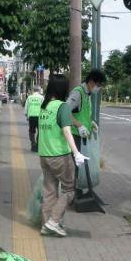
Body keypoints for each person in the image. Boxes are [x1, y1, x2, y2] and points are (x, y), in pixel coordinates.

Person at [38, 75, 88, 237]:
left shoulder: (44, 106)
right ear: (63, 89)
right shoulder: (62, 106)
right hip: (60, 156)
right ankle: (53, 222)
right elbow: (66, 130)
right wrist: (76, 152)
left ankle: (46, 225)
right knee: (68, 190)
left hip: (44, 155)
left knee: (49, 191)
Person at [66, 69, 106, 193]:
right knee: (76, 165)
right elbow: (65, 112)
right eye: (98, 85)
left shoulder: (87, 94)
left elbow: (83, 113)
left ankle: (75, 190)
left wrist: (91, 122)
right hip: (74, 135)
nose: (98, 88)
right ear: (91, 82)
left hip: (82, 136)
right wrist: (79, 125)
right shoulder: (78, 93)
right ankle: (71, 193)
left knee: (80, 165)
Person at [23, 87, 44, 152]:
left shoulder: (29, 97)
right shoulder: (41, 98)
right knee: (40, 132)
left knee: (31, 131)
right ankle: (38, 145)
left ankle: (33, 144)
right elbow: (44, 107)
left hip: (31, 116)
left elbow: (26, 107)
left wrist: (26, 115)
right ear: (39, 91)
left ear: (33, 91)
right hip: (39, 117)